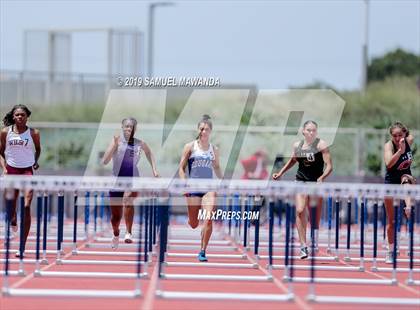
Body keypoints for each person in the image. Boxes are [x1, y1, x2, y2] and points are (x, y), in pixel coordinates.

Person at [272, 120, 332, 259]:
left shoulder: (321, 145)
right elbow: (293, 160)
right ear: (303, 131)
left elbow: (329, 166)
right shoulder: (297, 145)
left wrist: (322, 178)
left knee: (314, 216)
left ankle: (314, 238)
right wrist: (281, 173)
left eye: (314, 130)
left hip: (316, 182)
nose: (311, 133)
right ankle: (303, 246)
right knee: (299, 211)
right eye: (309, 130)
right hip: (300, 181)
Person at [102, 118, 159, 249]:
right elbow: (105, 161)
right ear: (122, 127)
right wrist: (114, 144)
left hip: (133, 179)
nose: (129, 129)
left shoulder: (140, 143)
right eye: (126, 126)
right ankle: (116, 233)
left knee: (128, 200)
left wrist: (154, 169)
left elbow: (149, 153)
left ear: (135, 129)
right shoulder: (116, 141)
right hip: (116, 180)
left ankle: (128, 232)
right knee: (115, 217)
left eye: (131, 127)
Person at [178, 115, 223, 262]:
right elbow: (181, 168)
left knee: (209, 219)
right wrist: (184, 185)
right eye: (201, 129)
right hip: (193, 187)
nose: (204, 131)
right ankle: (193, 221)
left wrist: (223, 181)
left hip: (209, 188)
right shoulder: (190, 147)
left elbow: (216, 167)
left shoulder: (214, 149)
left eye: (207, 129)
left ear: (211, 131)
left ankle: (203, 250)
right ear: (198, 130)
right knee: (193, 224)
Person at [0, 104, 41, 257]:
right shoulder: (5, 132)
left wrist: (35, 161)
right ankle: (13, 218)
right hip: (11, 171)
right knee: (10, 208)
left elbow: (38, 149)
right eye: (17, 115)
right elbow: (0, 151)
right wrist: (4, 167)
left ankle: (22, 246)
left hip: (27, 171)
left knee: (26, 206)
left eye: (22, 115)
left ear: (27, 117)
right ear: (13, 116)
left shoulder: (33, 133)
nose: (19, 117)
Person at [383, 122, 415, 263]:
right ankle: (390, 251)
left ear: (404, 134)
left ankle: (408, 207)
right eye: (394, 136)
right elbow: (389, 164)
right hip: (390, 182)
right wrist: (400, 152)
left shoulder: (409, 140)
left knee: (406, 179)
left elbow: (411, 135)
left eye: (400, 135)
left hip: (405, 177)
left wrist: (405, 142)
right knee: (391, 221)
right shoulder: (388, 146)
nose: (397, 138)